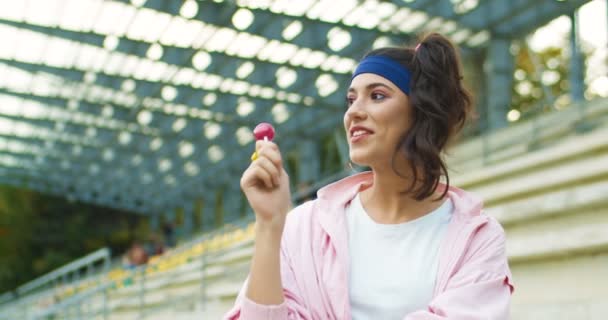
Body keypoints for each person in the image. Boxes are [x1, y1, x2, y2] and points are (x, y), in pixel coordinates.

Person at [224, 33, 514, 320]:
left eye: (377, 96)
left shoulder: (479, 239)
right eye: (351, 100)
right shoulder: (304, 226)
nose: (354, 113)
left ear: (421, 112)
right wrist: (269, 223)